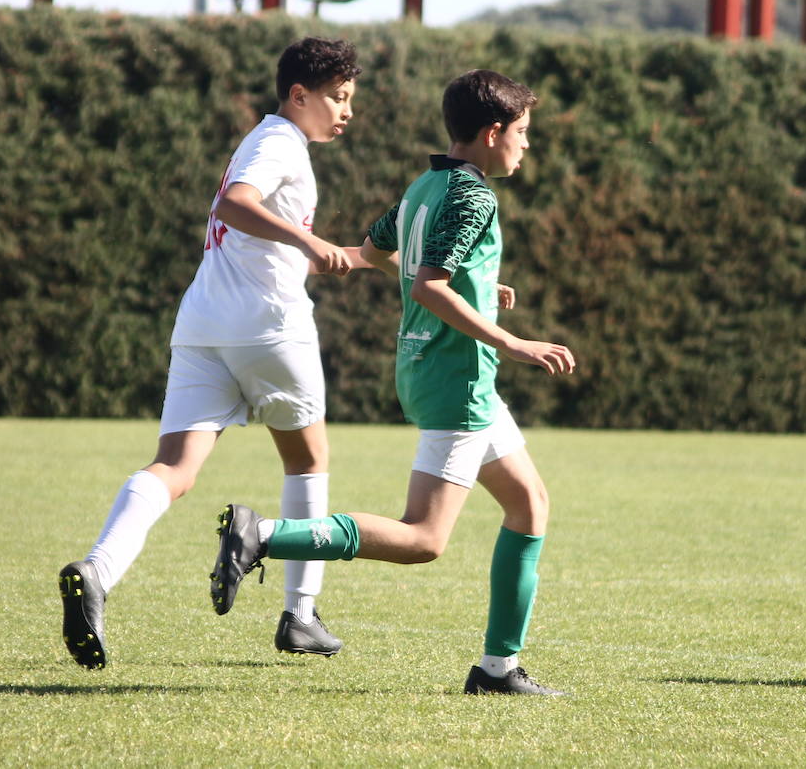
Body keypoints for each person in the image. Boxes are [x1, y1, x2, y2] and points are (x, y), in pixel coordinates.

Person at [209, 69, 577, 695]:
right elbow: (430, 285)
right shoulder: (475, 196)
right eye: (522, 132)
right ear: (493, 132)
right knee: (424, 539)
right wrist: (511, 341)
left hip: (435, 369)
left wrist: (478, 289)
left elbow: (379, 251)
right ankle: (262, 535)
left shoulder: (426, 184)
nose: (526, 143)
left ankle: (498, 669)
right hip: (459, 378)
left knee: (529, 503)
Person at [59, 37, 364, 669]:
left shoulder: (265, 140)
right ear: (298, 95)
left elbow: (279, 240)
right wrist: (308, 242)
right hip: (269, 328)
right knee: (307, 462)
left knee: (174, 468)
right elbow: (234, 204)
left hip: (204, 324)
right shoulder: (281, 142)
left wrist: (386, 262)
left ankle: (97, 572)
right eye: (337, 97)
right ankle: (300, 614)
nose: (347, 111)